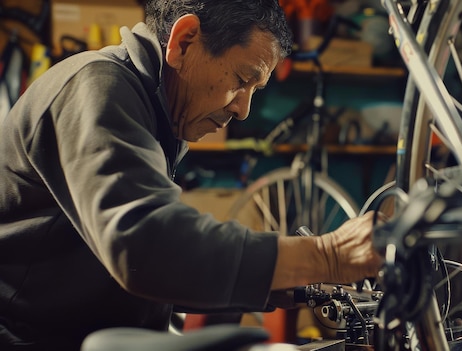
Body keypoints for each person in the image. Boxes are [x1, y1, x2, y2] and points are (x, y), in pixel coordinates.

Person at [0, 0, 383, 349]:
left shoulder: (156, 114)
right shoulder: (98, 86)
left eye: (255, 89)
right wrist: (327, 254)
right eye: (241, 80)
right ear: (184, 42)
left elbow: (129, 266)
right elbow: (145, 246)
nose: (243, 109)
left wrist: (266, 280)